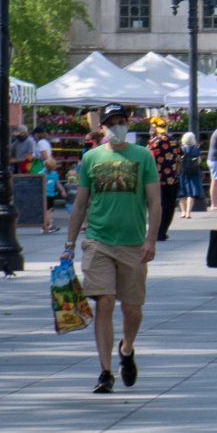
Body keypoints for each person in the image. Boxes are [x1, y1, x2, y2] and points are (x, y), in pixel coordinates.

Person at [65, 107, 161, 393]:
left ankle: (127, 348)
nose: (117, 127)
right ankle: (105, 371)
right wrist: (69, 244)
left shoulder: (143, 155)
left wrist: (151, 239)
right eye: (112, 123)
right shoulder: (91, 157)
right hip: (98, 240)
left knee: (132, 309)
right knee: (104, 301)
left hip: (132, 242)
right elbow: (80, 203)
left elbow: (154, 201)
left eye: (122, 122)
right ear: (103, 128)